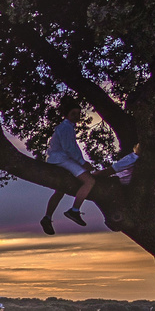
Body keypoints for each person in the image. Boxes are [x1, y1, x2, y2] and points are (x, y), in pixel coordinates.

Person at [40, 97, 95, 234]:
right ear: (67, 115)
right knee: (89, 181)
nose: (76, 116)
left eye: (78, 113)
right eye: (73, 113)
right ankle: (74, 210)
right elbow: (69, 148)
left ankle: (47, 217)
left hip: (58, 159)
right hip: (61, 159)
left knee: (60, 189)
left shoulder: (68, 127)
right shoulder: (65, 128)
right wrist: (83, 163)